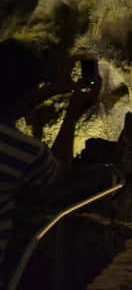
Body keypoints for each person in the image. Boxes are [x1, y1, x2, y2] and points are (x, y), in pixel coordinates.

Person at [0, 39, 100, 274]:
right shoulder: (22, 151)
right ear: (26, 94)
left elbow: (11, 102)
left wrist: (56, 87)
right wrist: (72, 115)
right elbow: (59, 172)